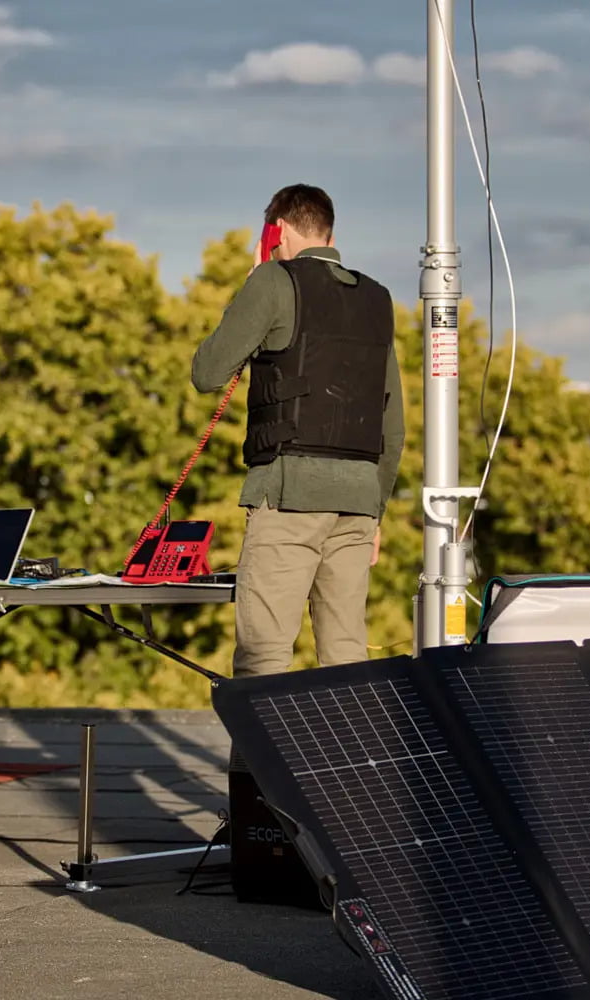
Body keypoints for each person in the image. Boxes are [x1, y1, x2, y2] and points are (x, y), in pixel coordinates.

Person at [191, 184, 404, 678]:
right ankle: (359, 759)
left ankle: (258, 761)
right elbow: (392, 426)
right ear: (330, 233)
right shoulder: (377, 300)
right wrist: (375, 514)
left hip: (289, 496)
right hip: (357, 503)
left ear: (277, 231)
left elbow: (207, 373)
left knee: (264, 659)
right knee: (347, 656)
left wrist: (249, 290)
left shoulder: (271, 281)